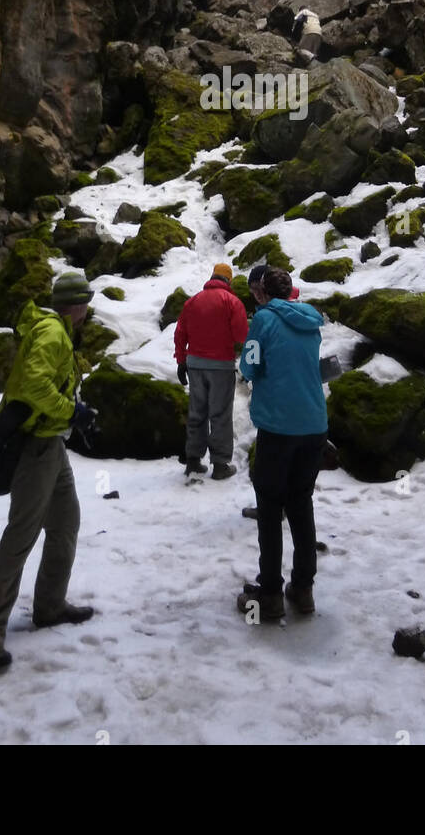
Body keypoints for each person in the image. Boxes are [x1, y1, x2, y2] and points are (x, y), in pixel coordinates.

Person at [0, 272, 97, 673]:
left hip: (52, 445)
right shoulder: (52, 334)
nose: (89, 307)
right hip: (36, 446)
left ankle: (49, 605)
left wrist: (69, 417)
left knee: (65, 524)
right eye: (86, 301)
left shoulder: (55, 329)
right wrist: (71, 411)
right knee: (21, 536)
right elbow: (32, 385)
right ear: (75, 305)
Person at [237, 267, 328, 620]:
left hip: (278, 426)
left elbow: (251, 366)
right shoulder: (310, 320)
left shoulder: (264, 320)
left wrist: (249, 362)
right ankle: (303, 589)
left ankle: (271, 594)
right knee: (301, 504)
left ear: (264, 292)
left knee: (271, 509)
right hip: (314, 424)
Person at [174, 262, 248, 478]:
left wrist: (181, 361)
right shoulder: (232, 302)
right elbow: (241, 336)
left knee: (197, 413)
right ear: (229, 280)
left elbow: (180, 334)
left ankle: (193, 460)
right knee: (220, 415)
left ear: (212, 277)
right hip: (221, 367)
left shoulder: (192, 301)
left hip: (195, 365)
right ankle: (220, 465)